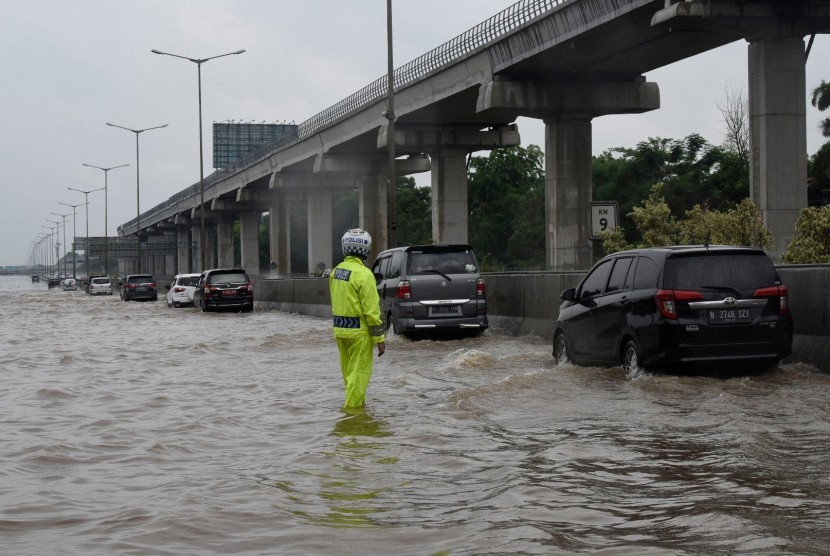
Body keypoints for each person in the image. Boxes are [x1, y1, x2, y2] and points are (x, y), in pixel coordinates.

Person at [329, 228, 386, 408]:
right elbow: (371, 311)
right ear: (366, 250)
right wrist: (380, 338)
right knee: (359, 377)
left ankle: (357, 409)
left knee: (349, 376)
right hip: (359, 335)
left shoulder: (336, 272)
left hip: (340, 332)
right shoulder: (364, 275)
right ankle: (352, 419)